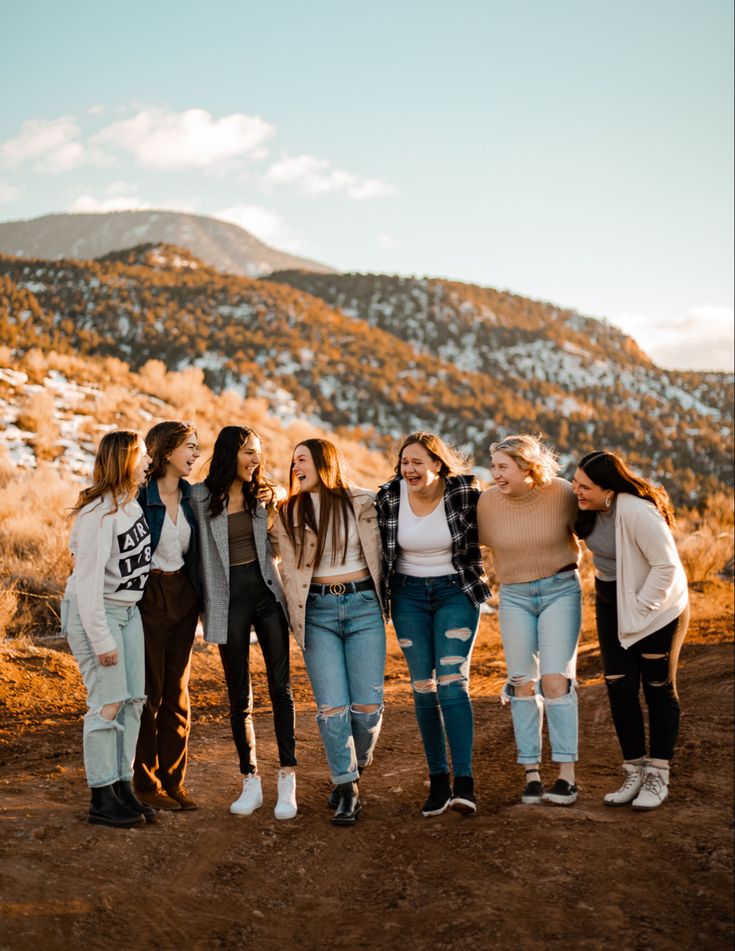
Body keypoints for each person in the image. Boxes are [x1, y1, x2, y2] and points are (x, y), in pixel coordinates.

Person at [376, 431, 490, 817]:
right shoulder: (389, 497)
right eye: (404, 463)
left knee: (452, 683)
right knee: (423, 688)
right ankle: (438, 781)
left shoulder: (464, 494)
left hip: (454, 592)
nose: (409, 469)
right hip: (407, 595)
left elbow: (503, 514)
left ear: (438, 464)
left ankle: (465, 783)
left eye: (417, 462)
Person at [273, 439, 386, 826]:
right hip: (316, 612)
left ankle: (352, 767)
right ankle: (348, 788)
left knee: (367, 707)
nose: (295, 467)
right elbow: (262, 550)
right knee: (332, 707)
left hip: (364, 608)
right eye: (292, 462)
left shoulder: (364, 502)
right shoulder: (287, 512)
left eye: (302, 459)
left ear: (324, 461)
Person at [190, 426, 297, 820]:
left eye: (259, 453)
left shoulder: (262, 494)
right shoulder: (200, 497)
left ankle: (288, 777)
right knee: (239, 697)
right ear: (230, 453)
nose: (256, 460)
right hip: (226, 601)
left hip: (267, 597)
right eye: (249, 452)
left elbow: (285, 503)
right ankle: (250, 779)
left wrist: (280, 495)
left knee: (280, 689)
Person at [573, 450, 689, 810]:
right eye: (575, 483)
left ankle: (658, 774)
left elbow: (666, 568)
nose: (576, 491)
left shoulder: (637, 511)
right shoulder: (586, 506)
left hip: (658, 606)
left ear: (609, 489)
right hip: (611, 599)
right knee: (619, 686)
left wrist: (639, 612)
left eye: (584, 487)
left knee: (657, 686)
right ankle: (634, 769)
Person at [477, 435, 582, 807]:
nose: (496, 474)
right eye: (494, 467)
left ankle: (567, 778)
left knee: (554, 681)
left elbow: (594, 524)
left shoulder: (562, 493)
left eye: (503, 467)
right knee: (522, 682)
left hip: (560, 590)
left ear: (527, 467)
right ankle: (532, 774)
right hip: (515, 596)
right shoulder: (487, 503)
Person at [62, 430, 153, 828]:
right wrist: (100, 639)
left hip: (128, 613)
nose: (148, 462)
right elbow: (86, 585)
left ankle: (122, 784)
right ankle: (101, 797)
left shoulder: (130, 505)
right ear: (124, 461)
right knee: (108, 703)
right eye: (142, 456)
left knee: (133, 701)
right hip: (94, 614)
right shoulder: (97, 514)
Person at [134, 421, 202, 812]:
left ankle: (174, 781)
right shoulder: (139, 497)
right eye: (190, 447)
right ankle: (146, 783)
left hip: (184, 596)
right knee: (149, 692)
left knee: (177, 691)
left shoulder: (196, 497)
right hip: (148, 596)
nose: (195, 454)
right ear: (166, 450)